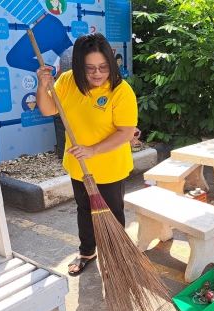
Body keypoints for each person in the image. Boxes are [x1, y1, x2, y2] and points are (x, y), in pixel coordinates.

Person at [36, 33, 138, 276]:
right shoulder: (68, 81)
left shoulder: (120, 91)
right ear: (79, 66)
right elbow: (48, 108)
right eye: (90, 68)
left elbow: (126, 133)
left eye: (103, 67)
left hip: (109, 166)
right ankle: (87, 251)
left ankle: (116, 257)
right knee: (84, 210)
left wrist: (92, 150)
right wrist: (42, 85)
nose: (97, 73)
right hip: (78, 165)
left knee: (111, 214)